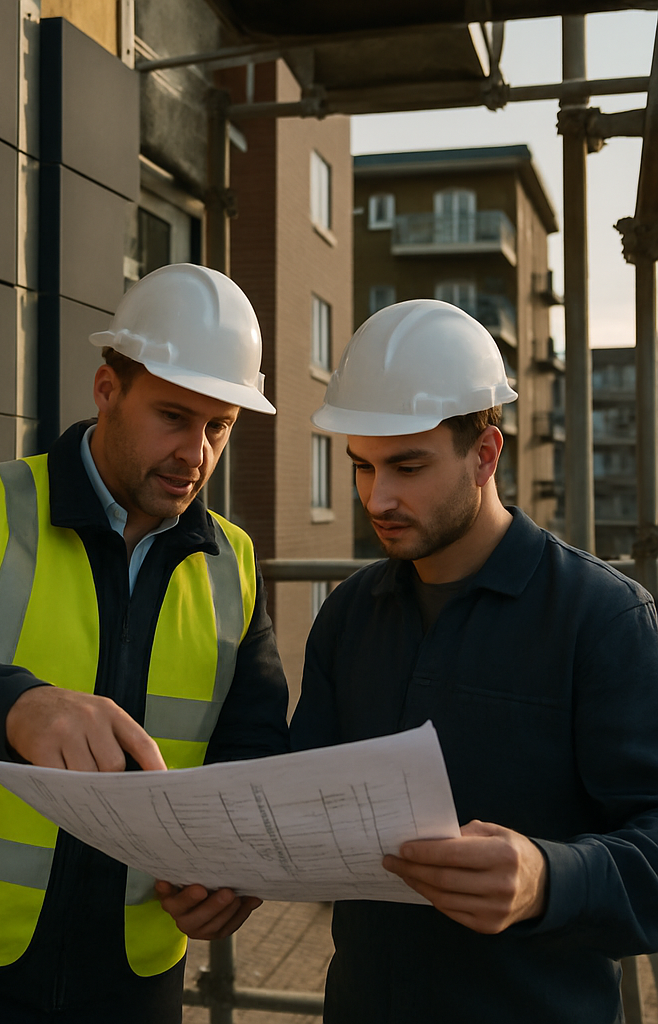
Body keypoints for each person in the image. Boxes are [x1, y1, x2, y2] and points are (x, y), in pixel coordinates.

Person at [0, 263, 290, 1024]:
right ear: (107, 390)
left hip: (133, 980)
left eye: (219, 428)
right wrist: (18, 707)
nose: (195, 454)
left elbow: (252, 743)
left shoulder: (233, 563)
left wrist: (236, 869)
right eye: (173, 416)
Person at [289, 298, 658, 1022]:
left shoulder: (603, 620)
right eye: (361, 467)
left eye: (408, 465)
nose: (378, 497)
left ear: (486, 455)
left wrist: (547, 879)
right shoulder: (348, 615)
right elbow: (302, 801)